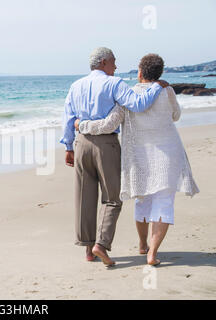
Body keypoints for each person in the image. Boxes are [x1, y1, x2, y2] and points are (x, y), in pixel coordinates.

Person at [76, 53, 200, 266]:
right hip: (168, 154)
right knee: (163, 203)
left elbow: (108, 124)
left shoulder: (128, 95)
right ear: (159, 73)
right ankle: (151, 253)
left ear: (140, 72)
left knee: (143, 201)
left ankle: (143, 244)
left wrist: (82, 125)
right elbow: (176, 115)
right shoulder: (166, 90)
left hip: (139, 158)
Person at [60, 47, 169, 267]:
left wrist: (68, 147)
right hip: (106, 144)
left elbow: (68, 116)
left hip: (81, 143)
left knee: (85, 198)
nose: (116, 66)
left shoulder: (76, 85)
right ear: (103, 62)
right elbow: (138, 105)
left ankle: (89, 250)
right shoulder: (114, 83)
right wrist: (156, 87)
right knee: (112, 199)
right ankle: (102, 244)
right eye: (113, 62)